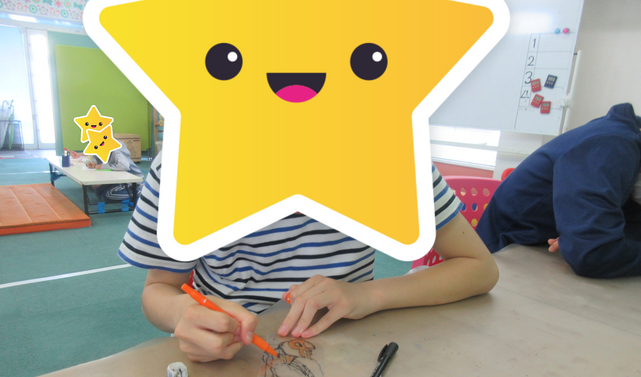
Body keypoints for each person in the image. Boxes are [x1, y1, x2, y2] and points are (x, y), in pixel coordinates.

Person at [118, 153, 499, 362]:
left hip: (350, 359)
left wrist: (367, 294)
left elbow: (478, 268)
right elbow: (158, 289)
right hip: (227, 362)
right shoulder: (184, 164)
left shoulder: (393, 153)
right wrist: (181, 312)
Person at [476, 103, 641, 278]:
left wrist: (580, 236)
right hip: (500, 258)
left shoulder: (624, 137)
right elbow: (594, 253)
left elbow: (621, 227)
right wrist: (585, 239)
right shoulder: (610, 146)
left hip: (540, 252)